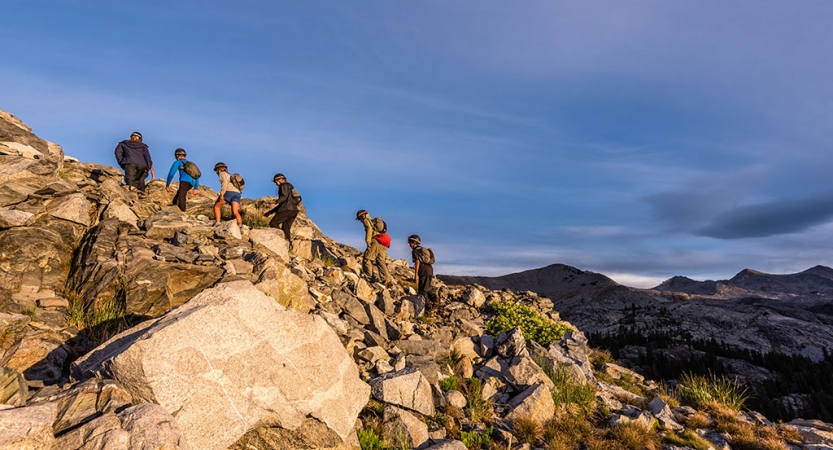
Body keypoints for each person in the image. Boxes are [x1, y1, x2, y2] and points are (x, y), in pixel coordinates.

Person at [356, 209, 391, 285]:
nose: (360, 221)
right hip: (382, 242)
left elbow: (369, 229)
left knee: (367, 259)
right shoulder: (373, 221)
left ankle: (369, 278)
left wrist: (368, 242)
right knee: (380, 261)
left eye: (359, 218)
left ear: (362, 216)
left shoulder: (366, 220)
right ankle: (386, 280)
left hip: (375, 242)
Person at [265, 173, 299, 245]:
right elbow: (284, 202)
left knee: (273, 223)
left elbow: (283, 198)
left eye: (276, 181)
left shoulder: (283, 185)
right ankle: (288, 244)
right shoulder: (290, 187)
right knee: (286, 228)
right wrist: (270, 212)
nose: (276, 183)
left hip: (286, 209)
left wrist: (275, 203)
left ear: (280, 180)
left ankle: (280, 239)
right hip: (293, 211)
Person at [408, 234, 436, 305]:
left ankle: (428, 308)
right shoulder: (421, 249)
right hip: (429, 270)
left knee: (422, 291)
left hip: (423, 271)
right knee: (427, 288)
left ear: (414, 243)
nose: (409, 245)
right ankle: (435, 300)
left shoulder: (415, 251)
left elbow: (417, 262)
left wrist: (416, 275)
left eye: (410, 243)